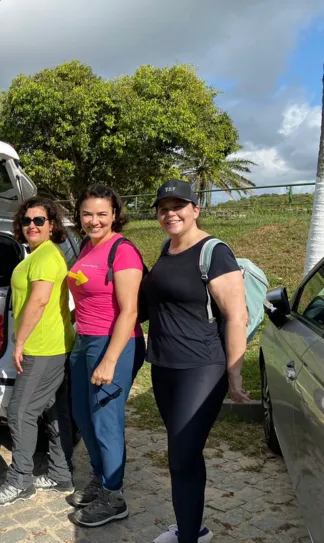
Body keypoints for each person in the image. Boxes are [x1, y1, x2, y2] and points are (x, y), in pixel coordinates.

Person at [141, 180, 249, 543]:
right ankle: (193, 527)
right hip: (164, 366)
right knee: (180, 452)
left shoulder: (214, 252)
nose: (170, 213)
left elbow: (236, 316)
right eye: (163, 207)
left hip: (201, 366)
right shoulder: (166, 249)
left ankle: (189, 536)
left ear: (196, 209)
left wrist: (234, 374)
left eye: (179, 206)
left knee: (182, 455)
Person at [0, 197, 75, 507]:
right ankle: (61, 473)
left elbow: (38, 301)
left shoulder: (47, 256)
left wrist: (18, 342)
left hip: (42, 348)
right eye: (27, 221)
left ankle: (21, 480)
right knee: (53, 412)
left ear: (52, 225)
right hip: (49, 345)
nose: (32, 226)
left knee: (20, 412)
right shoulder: (36, 255)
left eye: (39, 220)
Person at [65, 185, 146, 527]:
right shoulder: (86, 245)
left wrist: (110, 359)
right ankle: (100, 480)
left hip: (115, 343)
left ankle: (114, 496)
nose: (94, 220)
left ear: (115, 215)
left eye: (102, 213)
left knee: (105, 420)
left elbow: (129, 311)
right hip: (84, 340)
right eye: (87, 213)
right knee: (83, 415)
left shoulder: (123, 251)